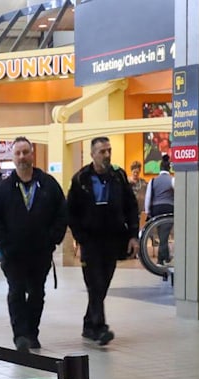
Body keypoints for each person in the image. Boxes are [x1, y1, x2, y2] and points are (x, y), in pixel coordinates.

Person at [0, 136, 67, 353]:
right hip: (13, 254)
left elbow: (62, 212)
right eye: (18, 153)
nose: (22, 157)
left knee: (37, 293)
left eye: (25, 152)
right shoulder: (3, 189)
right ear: (13, 158)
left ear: (32, 154)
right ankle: (20, 335)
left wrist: (53, 239)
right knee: (16, 291)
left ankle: (32, 332)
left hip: (40, 253)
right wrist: (4, 244)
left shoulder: (48, 185)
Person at [66, 136, 140, 346]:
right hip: (90, 241)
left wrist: (133, 235)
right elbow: (70, 211)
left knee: (103, 283)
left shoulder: (118, 176)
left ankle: (89, 324)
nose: (107, 155)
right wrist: (80, 237)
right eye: (102, 152)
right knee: (94, 283)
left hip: (112, 239)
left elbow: (131, 206)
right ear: (92, 155)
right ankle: (100, 328)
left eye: (109, 150)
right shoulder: (81, 179)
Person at [143, 154, 175, 263]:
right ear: (169, 169)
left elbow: (148, 197)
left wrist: (148, 212)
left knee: (162, 235)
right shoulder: (172, 180)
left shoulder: (152, 181)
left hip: (156, 210)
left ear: (160, 168)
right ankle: (161, 259)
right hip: (169, 209)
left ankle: (164, 257)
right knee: (164, 235)